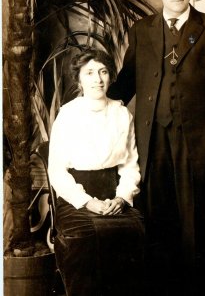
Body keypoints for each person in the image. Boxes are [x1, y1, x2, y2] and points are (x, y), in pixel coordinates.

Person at [108, 0, 205, 295]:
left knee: (196, 223)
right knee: (156, 221)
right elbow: (126, 82)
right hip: (152, 139)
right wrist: (93, 99)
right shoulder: (142, 30)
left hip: (198, 144)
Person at [48, 49, 144, 296]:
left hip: (114, 195)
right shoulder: (68, 114)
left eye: (102, 72)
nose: (97, 79)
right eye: (89, 73)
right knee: (84, 237)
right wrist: (87, 201)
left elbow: (130, 164)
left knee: (134, 230)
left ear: (111, 76)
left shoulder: (122, 113)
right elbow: (57, 170)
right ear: (79, 79)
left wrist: (122, 198)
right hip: (76, 199)